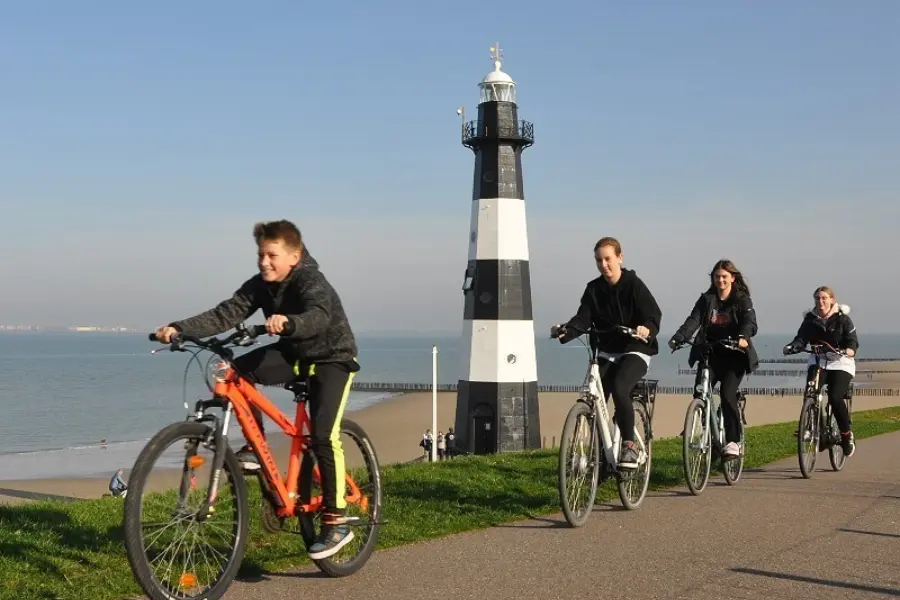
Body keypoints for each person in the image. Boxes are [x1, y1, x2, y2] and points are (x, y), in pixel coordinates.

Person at [153, 219, 360, 560]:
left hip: (330, 359)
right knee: (234, 373)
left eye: (271, 255)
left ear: (294, 256)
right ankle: (253, 447)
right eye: (260, 255)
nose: (264, 262)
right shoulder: (261, 285)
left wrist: (291, 323)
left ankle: (337, 520)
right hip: (292, 355)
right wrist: (179, 328)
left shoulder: (311, 280)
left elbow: (318, 316)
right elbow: (225, 314)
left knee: (324, 436)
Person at [552, 237, 663, 469]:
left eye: (608, 259)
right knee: (594, 396)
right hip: (606, 351)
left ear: (620, 258)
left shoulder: (634, 284)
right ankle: (602, 459)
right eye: (598, 260)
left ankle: (630, 446)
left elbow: (653, 314)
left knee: (621, 387)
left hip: (635, 349)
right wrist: (567, 331)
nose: (604, 264)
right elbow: (583, 318)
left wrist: (646, 328)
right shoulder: (593, 289)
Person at [668, 259, 759, 459]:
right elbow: (693, 320)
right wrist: (679, 337)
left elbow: (750, 322)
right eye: (717, 276)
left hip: (735, 355)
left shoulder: (741, 299)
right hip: (710, 352)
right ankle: (707, 431)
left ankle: (734, 441)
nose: (720, 280)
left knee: (727, 394)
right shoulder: (707, 299)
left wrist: (743, 337)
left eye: (724, 276)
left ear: (733, 278)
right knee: (700, 392)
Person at [783, 286, 858, 457]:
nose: (820, 301)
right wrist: (793, 346)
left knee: (835, 396)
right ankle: (814, 429)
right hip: (817, 360)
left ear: (832, 300)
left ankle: (847, 436)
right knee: (811, 392)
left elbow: (852, 342)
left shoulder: (843, 319)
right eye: (817, 298)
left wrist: (849, 350)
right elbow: (801, 338)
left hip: (840, 362)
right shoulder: (810, 319)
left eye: (824, 298)